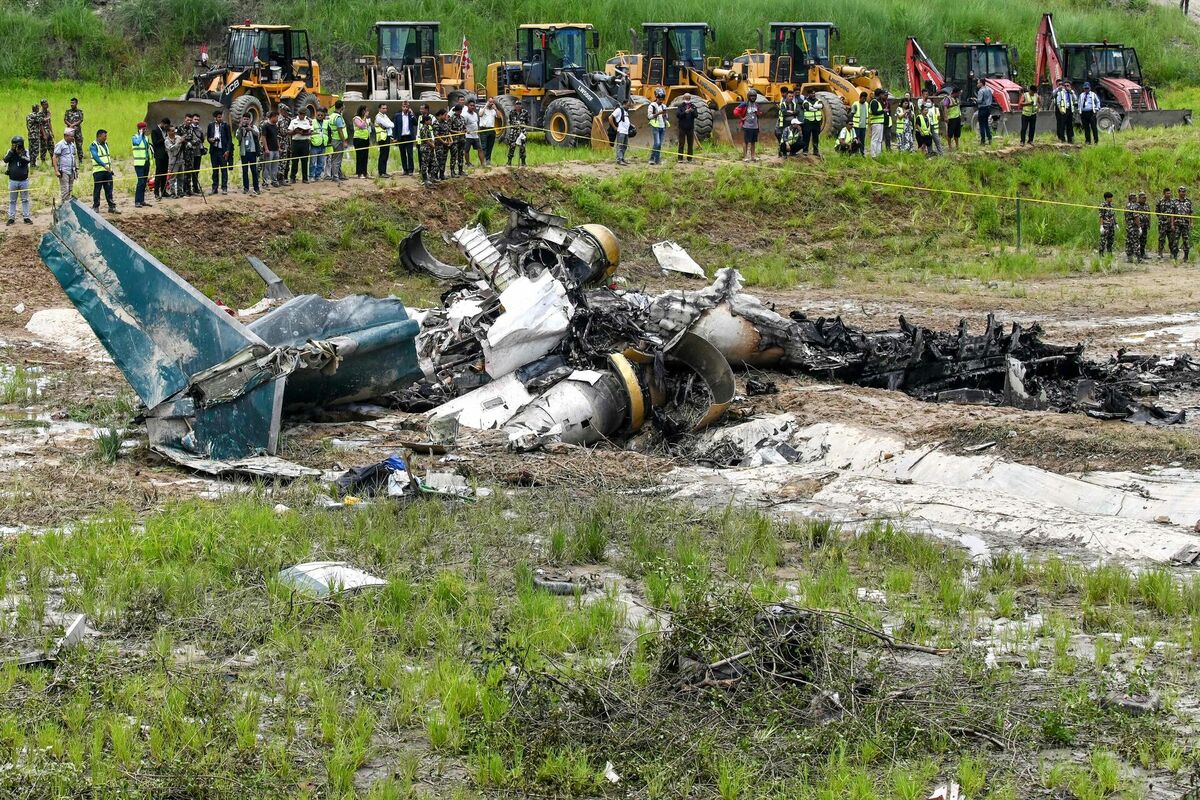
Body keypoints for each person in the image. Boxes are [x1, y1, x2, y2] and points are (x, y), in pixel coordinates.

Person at [4, 136, 32, 225]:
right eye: (14, 144)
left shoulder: (26, 151)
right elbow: (5, 160)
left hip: (24, 180)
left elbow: (28, 160)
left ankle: (26, 217)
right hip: (13, 180)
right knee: (12, 200)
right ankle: (11, 218)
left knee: (25, 200)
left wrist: (20, 155)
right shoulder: (10, 151)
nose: (16, 146)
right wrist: (12, 152)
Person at [89, 129, 118, 213]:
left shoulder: (106, 144)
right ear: (99, 136)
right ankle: (96, 207)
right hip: (98, 171)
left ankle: (111, 207)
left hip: (108, 171)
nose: (106, 137)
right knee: (97, 189)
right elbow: (95, 157)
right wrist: (104, 165)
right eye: (104, 136)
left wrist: (110, 169)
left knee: (109, 189)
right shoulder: (93, 145)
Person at [206, 110, 232, 194]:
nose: (220, 118)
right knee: (215, 170)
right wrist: (211, 140)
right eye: (219, 117)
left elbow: (229, 139)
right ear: (215, 118)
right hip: (214, 151)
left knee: (224, 170)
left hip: (223, 151)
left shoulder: (225, 126)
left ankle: (224, 188)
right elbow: (208, 137)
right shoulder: (210, 125)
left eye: (221, 117)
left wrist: (228, 150)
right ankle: (214, 188)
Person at [236, 113, 261, 194]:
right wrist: (240, 129)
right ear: (242, 119)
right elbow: (238, 137)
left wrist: (251, 129)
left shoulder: (254, 127)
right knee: (245, 171)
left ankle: (256, 188)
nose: (246, 120)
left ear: (250, 120)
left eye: (247, 119)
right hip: (244, 153)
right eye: (244, 119)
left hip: (252, 152)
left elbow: (258, 134)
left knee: (254, 170)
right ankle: (246, 188)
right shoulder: (240, 128)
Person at [53, 127, 78, 203]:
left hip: (72, 170)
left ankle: (68, 205)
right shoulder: (60, 144)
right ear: (66, 136)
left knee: (70, 189)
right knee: (65, 190)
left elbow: (74, 157)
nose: (72, 138)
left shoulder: (72, 145)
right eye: (71, 136)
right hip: (64, 171)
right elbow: (55, 157)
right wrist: (56, 170)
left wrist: (76, 169)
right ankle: (64, 206)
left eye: (73, 136)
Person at [288, 107, 313, 183]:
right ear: (298, 113)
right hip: (295, 142)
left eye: (303, 114)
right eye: (300, 114)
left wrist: (304, 133)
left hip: (305, 142)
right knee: (294, 161)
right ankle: (292, 178)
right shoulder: (293, 121)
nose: (302, 115)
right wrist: (295, 131)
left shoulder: (309, 120)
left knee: (305, 161)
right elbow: (289, 132)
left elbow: (311, 131)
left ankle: (305, 178)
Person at [394, 100, 418, 176]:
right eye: (404, 107)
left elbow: (415, 123)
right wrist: (395, 137)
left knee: (410, 154)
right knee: (403, 154)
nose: (405, 108)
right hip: (401, 137)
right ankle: (405, 169)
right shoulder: (397, 115)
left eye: (406, 107)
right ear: (401, 107)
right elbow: (395, 127)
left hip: (409, 137)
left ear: (408, 107)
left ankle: (411, 169)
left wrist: (412, 114)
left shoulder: (410, 115)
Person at [182, 114, 205, 197]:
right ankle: (186, 189)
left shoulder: (198, 129)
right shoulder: (184, 128)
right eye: (195, 119)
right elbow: (181, 139)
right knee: (187, 172)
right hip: (187, 153)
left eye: (198, 120)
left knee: (195, 171)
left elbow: (202, 139)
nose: (196, 121)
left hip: (196, 152)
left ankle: (193, 188)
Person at [736, 89, 762, 161]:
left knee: (753, 142)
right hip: (747, 126)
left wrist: (759, 113)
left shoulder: (756, 105)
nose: (753, 97)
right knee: (746, 141)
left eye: (754, 96)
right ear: (748, 96)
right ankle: (745, 157)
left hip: (755, 126)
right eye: (751, 96)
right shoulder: (744, 104)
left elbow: (759, 114)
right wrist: (742, 118)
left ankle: (753, 156)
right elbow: (736, 111)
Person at [131, 121, 152, 208]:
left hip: (146, 163)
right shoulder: (135, 137)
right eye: (144, 129)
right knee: (140, 182)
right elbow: (137, 143)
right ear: (140, 129)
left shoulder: (146, 138)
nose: (145, 130)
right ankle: (137, 201)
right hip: (139, 164)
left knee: (144, 182)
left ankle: (142, 200)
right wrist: (140, 134)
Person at [326, 100, 348, 181]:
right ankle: (335, 177)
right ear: (342, 106)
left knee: (336, 158)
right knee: (337, 159)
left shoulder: (332, 115)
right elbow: (340, 130)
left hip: (334, 139)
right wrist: (344, 141)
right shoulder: (338, 117)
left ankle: (338, 174)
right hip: (338, 140)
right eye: (344, 105)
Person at [776, 87, 800, 158]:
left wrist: (791, 112)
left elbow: (797, 112)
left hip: (792, 123)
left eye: (792, 96)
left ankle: (792, 152)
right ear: (787, 96)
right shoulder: (782, 104)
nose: (791, 97)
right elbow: (784, 113)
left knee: (793, 137)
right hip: (784, 122)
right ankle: (783, 153)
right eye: (789, 96)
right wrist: (793, 112)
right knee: (784, 137)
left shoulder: (795, 104)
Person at [647, 88, 669, 165]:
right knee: (657, 143)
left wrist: (665, 115)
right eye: (659, 98)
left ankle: (657, 159)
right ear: (656, 97)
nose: (661, 100)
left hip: (662, 127)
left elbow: (666, 116)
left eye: (662, 99)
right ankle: (652, 159)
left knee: (659, 144)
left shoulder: (664, 106)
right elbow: (649, 117)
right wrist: (658, 113)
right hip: (655, 126)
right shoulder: (652, 106)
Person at [417, 108, 437, 187]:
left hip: (430, 148)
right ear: (426, 121)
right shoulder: (423, 129)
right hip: (425, 148)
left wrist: (432, 144)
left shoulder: (428, 128)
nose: (430, 122)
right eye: (429, 120)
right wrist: (432, 145)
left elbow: (430, 138)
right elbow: (425, 140)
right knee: (424, 164)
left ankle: (432, 177)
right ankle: (425, 179)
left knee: (433, 163)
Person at [261, 110, 281, 188]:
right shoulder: (265, 126)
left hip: (275, 149)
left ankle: (274, 181)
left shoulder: (275, 126)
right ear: (272, 117)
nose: (277, 119)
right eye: (276, 117)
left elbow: (276, 137)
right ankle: (265, 182)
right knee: (267, 167)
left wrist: (278, 147)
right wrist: (266, 149)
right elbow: (263, 137)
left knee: (275, 166)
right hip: (269, 150)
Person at [151, 118, 170, 201]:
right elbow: (155, 143)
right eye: (166, 126)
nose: (166, 128)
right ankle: (156, 192)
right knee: (158, 174)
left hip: (166, 155)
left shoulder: (166, 131)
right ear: (162, 123)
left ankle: (163, 191)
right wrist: (165, 138)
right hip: (159, 155)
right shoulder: (155, 131)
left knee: (165, 174)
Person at [505, 100, 527, 167]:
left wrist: (521, 124)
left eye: (519, 104)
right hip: (514, 131)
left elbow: (527, 121)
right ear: (515, 105)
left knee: (522, 147)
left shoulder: (525, 112)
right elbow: (510, 121)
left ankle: (523, 163)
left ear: (521, 105)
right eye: (517, 104)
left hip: (522, 132)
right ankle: (509, 162)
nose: (518, 105)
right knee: (512, 146)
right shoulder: (512, 112)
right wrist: (515, 124)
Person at [1157, 188, 1177, 260]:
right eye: (1167, 193)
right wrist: (1163, 218)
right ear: (1164, 193)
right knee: (1161, 239)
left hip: (1171, 224)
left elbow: (1175, 213)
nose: (1169, 194)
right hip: (1162, 224)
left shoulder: (1173, 202)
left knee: (1171, 239)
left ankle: (1172, 253)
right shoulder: (1160, 201)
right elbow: (1157, 212)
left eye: (1170, 193)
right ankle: (1160, 253)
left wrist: (1173, 223)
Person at [374, 103, 394, 177]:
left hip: (386, 137)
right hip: (382, 138)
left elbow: (392, 124)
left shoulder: (385, 116)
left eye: (385, 108)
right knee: (383, 155)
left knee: (386, 155)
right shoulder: (378, 117)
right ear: (379, 109)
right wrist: (389, 125)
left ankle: (384, 172)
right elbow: (389, 125)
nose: (385, 109)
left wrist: (389, 125)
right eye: (383, 108)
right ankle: (381, 172)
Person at [447, 102, 466, 177]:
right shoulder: (451, 119)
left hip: (462, 139)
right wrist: (457, 132)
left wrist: (465, 130)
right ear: (455, 111)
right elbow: (448, 129)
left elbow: (464, 126)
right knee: (454, 156)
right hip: (455, 140)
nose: (459, 112)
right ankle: (452, 171)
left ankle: (461, 170)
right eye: (458, 111)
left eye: (460, 111)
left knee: (461, 155)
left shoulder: (462, 118)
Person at [676, 94, 698, 162]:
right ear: (683, 98)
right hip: (682, 128)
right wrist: (685, 112)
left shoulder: (693, 106)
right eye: (686, 98)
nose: (687, 99)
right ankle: (680, 158)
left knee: (690, 144)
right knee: (681, 143)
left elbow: (696, 115)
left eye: (688, 98)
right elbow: (678, 115)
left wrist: (692, 111)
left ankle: (689, 158)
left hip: (690, 128)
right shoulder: (680, 106)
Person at [308, 107, 327, 181]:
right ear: (316, 114)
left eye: (321, 115)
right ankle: (311, 176)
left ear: (324, 116)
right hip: (314, 145)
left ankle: (317, 176)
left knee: (321, 162)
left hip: (323, 145)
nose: (320, 116)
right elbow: (309, 132)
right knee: (313, 162)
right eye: (318, 115)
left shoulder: (326, 122)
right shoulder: (312, 122)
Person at [165, 125, 185, 197]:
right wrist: (179, 143)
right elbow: (171, 148)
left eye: (174, 131)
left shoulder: (178, 137)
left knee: (181, 177)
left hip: (181, 160)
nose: (174, 132)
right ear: (168, 132)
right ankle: (173, 193)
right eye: (172, 131)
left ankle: (180, 191)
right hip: (173, 161)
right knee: (172, 178)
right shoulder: (166, 141)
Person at [801, 90, 822, 156]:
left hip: (816, 122)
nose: (813, 94)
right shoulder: (805, 101)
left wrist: (812, 107)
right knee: (806, 137)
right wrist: (816, 107)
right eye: (812, 93)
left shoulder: (818, 100)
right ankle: (805, 151)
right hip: (808, 122)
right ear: (808, 94)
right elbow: (808, 108)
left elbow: (821, 106)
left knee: (816, 137)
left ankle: (815, 151)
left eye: (814, 93)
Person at [478, 97, 498, 166]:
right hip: (484, 129)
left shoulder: (493, 111)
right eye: (489, 102)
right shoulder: (482, 109)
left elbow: (499, 116)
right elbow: (480, 114)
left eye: (492, 102)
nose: (491, 103)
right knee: (484, 146)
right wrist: (485, 106)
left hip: (492, 130)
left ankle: (488, 160)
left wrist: (495, 108)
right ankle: (483, 162)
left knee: (490, 146)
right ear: (487, 102)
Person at [462, 100, 482, 167]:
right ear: (468, 106)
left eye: (473, 106)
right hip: (468, 136)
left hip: (475, 135)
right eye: (471, 105)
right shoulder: (465, 115)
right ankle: (468, 164)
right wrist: (465, 130)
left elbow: (476, 123)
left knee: (480, 149)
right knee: (467, 150)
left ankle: (483, 164)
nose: (472, 107)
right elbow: (462, 124)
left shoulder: (475, 114)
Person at [434, 108, 453, 178]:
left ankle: (442, 174)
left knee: (444, 160)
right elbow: (436, 135)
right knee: (439, 160)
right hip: (439, 145)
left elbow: (448, 132)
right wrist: (443, 142)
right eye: (445, 115)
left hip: (446, 144)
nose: (446, 116)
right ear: (440, 115)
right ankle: (435, 175)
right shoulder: (436, 123)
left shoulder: (445, 123)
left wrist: (451, 140)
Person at [352, 105, 371, 178]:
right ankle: (359, 173)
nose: (368, 112)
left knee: (365, 156)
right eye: (366, 110)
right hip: (358, 139)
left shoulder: (365, 119)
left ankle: (365, 172)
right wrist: (365, 118)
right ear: (363, 111)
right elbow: (360, 126)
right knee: (360, 156)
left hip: (366, 139)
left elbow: (368, 127)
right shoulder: (356, 118)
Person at [277, 103, 293, 184]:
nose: (288, 114)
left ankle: (283, 177)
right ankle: (280, 179)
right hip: (282, 144)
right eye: (286, 113)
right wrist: (292, 131)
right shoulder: (281, 120)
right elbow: (283, 132)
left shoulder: (287, 119)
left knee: (285, 162)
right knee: (282, 162)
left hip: (287, 143)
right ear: (282, 111)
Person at [850, 91, 869, 156]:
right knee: (856, 140)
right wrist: (851, 124)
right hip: (856, 126)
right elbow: (851, 114)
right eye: (863, 98)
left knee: (862, 140)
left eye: (865, 99)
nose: (864, 100)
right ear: (860, 98)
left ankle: (862, 152)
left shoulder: (866, 104)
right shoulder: (855, 104)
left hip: (863, 126)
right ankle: (855, 152)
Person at [868, 89, 887, 157]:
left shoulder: (878, 102)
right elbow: (874, 112)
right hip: (876, 123)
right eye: (882, 94)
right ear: (879, 95)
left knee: (879, 140)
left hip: (880, 123)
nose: (883, 96)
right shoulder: (874, 102)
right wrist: (883, 111)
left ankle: (878, 154)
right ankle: (873, 154)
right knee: (875, 139)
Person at [1176, 187, 1193, 262]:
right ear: (1179, 193)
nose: (1183, 193)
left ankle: (1186, 257)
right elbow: (1172, 214)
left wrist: (1191, 222)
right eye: (1182, 192)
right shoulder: (1175, 202)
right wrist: (1173, 224)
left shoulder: (1188, 202)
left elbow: (1190, 213)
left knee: (1186, 241)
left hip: (1185, 224)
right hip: (1177, 224)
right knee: (1175, 241)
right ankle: (1174, 256)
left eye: (1184, 192)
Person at [1124, 193, 1140, 263]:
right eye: (1135, 197)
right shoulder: (1134, 206)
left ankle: (1129, 257)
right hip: (1133, 226)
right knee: (1135, 241)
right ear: (1132, 198)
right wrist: (1139, 227)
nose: (1136, 198)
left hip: (1128, 226)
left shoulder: (1127, 205)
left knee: (1129, 241)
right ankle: (1138, 258)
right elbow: (1136, 217)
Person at [1098, 192, 1116, 256]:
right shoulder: (1103, 205)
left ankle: (1109, 252)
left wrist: (1116, 223)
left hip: (1111, 225)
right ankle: (1101, 253)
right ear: (1107, 198)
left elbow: (1113, 215)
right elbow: (1101, 216)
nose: (1111, 199)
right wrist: (1101, 226)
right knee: (1103, 239)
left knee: (1111, 239)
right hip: (1105, 225)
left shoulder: (1111, 205)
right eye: (1110, 197)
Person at [37, 100, 54, 167]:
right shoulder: (40, 114)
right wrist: (44, 135)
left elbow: (49, 123)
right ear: (42, 105)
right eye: (45, 104)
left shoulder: (48, 112)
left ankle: (53, 161)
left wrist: (52, 132)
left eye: (47, 103)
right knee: (43, 148)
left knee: (52, 147)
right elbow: (40, 124)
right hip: (43, 133)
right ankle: (43, 162)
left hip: (48, 133)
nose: (47, 105)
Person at [1136, 191, 1151, 261]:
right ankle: (1137, 255)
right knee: (1137, 240)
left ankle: (1143, 253)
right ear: (1139, 198)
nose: (1144, 199)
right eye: (1143, 198)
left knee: (1144, 240)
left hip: (1145, 225)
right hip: (1138, 226)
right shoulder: (1136, 205)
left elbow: (1149, 214)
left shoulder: (1146, 205)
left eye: (1145, 198)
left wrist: (1149, 223)